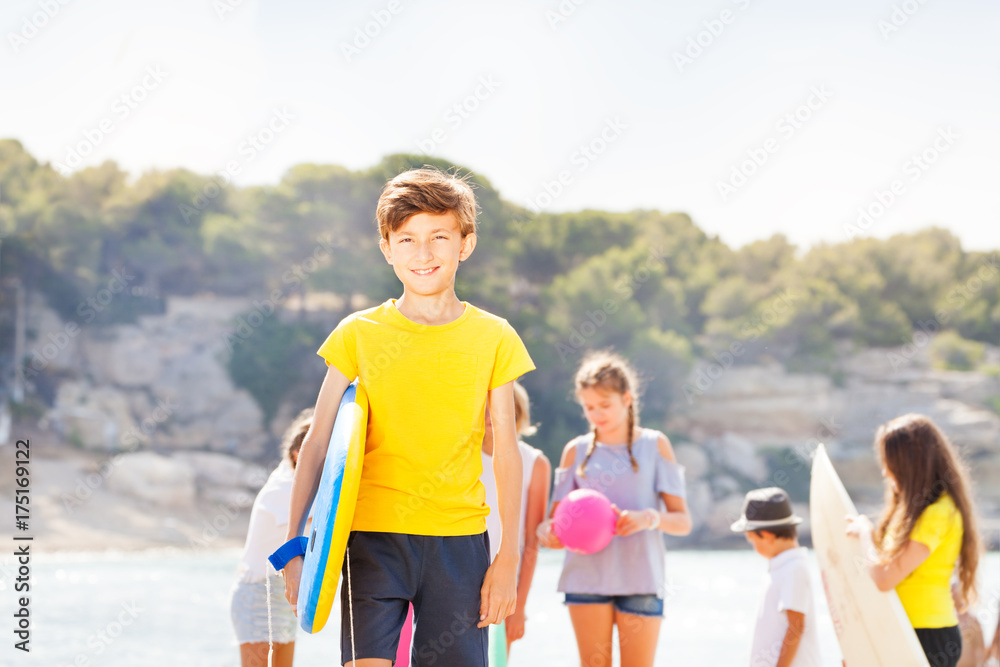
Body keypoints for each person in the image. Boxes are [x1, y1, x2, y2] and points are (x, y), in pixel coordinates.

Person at [276, 167, 535, 666]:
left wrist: (508, 558)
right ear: (387, 248)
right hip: (371, 538)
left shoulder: (494, 336)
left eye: (440, 236)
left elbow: (506, 452)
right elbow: (319, 442)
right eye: (407, 239)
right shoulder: (358, 332)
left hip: (459, 544)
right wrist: (293, 546)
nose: (424, 253)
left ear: (466, 243)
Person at [538, 350, 691, 667]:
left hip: (642, 579)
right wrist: (546, 533)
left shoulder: (655, 444)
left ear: (627, 398)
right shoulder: (574, 451)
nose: (597, 415)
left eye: (605, 405)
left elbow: (682, 522)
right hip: (586, 580)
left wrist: (647, 518)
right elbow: (553, 523)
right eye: (589, 407)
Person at [846, 413, 983, 667]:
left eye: (891, 464)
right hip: (907, 629)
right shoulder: (922, 511)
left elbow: (885, 578)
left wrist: (865, 533)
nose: (886, 472)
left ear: (911, 464)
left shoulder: (937, 515)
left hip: (926, 634)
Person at [230, 408, 313, 667]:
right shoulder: (284, 488)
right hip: (257, 595)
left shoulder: (302, 487)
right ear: (297, 455)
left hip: (283, 595)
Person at [479, 381, 551, 659]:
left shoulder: (535, 462)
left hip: (505, 581)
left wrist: (519, 606)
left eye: (495, 409)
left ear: (516, 414)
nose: (488, 416)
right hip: (459, 572)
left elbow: (532, 541)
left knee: (495, 660)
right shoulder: (463, 456)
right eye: (481, 409)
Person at [730, 487, 822, 667]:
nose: (753, 546)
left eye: (752, 539)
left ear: (767, 536)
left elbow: (795, 627)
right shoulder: (782, 567)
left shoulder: (794, 568)